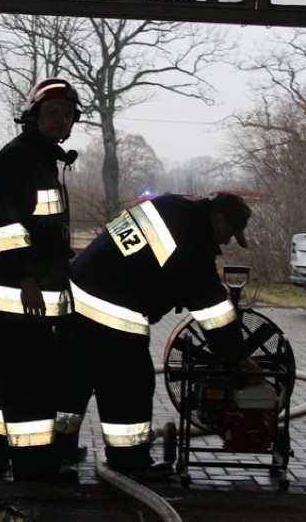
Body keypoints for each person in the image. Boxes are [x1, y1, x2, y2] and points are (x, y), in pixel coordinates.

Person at [58, 192, 253, 480]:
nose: (226, 243)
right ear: (218, 218)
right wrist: (238, 356)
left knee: (76, 376)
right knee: (130, 384)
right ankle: (129, 462)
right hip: (111, 310)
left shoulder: (171, 205)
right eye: (229, 233)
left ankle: (59, 447)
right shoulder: (192, 238)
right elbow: (212, 308)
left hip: (75, 294)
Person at [0, 78, 82, 482]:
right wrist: (27, 279)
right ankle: (35, 469)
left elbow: (37, 224)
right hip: (20, 296)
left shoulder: (39, 159)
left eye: (67, 115)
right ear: (33, 116)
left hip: (21, 295)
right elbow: (5, 227)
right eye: (53, 112)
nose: (61, 120)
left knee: (2, 381)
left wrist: (57, 253)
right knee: (30, 383)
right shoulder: (18, 159)